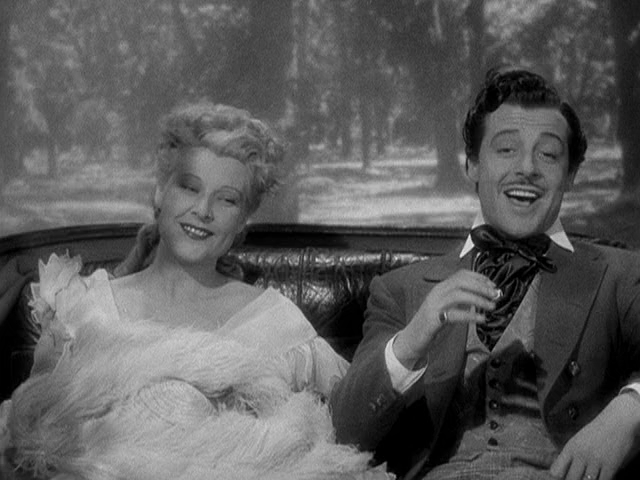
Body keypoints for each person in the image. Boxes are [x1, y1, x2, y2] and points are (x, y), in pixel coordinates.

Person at [0, 102, 390, 480]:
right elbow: (33, 441)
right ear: (159, 193)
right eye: (189, 188)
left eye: (227, 200)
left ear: (243, 221)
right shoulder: (85, 309)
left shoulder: (277, 323)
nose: (203, 210)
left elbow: (352, 418)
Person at [330, 68, 640, 480]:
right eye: (506, 149)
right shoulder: (398, 289)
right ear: (473, 165)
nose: (527, 168)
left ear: (570, 175)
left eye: (548, 155)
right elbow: (345, 431)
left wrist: (629, 411)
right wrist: (413, 338)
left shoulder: (618, 276)